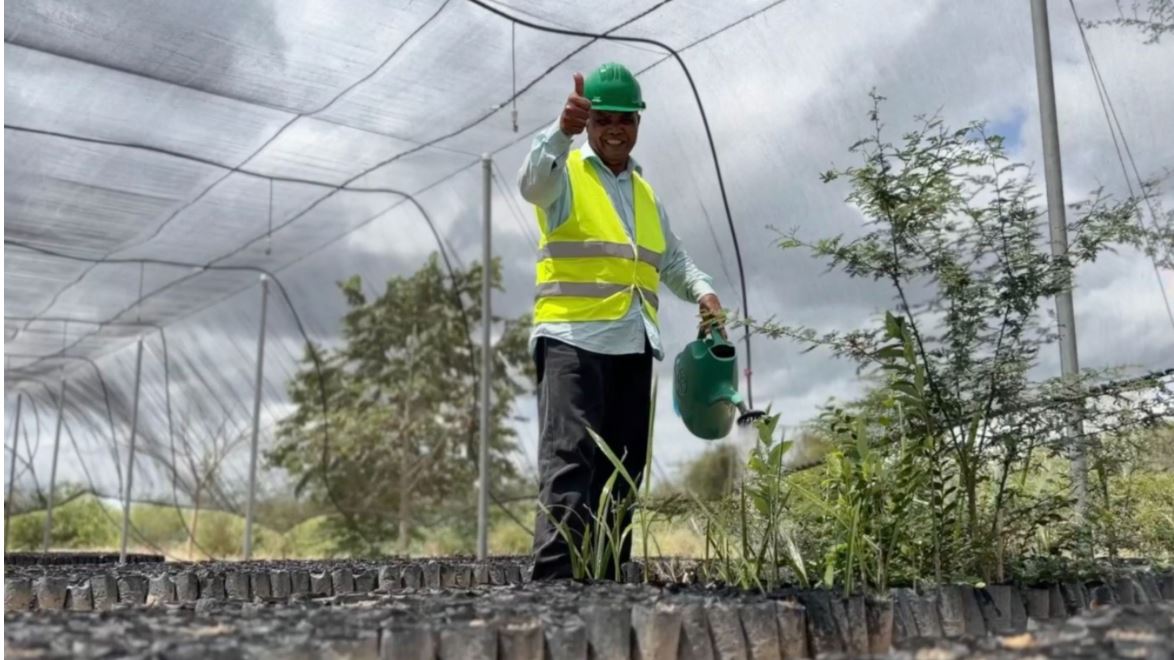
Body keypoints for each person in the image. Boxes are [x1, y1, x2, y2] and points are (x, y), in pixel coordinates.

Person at [517, 62, 725, 580]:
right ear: (588, 124)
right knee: (570, 463)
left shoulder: (644, 192)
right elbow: (530, 184)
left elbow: (670, 259)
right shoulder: (565, 174)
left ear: (638, 123)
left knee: (623, 473)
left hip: (633, 345)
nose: (614, 128)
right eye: (603, 118)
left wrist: (703, 291)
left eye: (625, 119)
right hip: (572, 340)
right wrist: (559, 132)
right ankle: (556, 588)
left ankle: (608, 584)